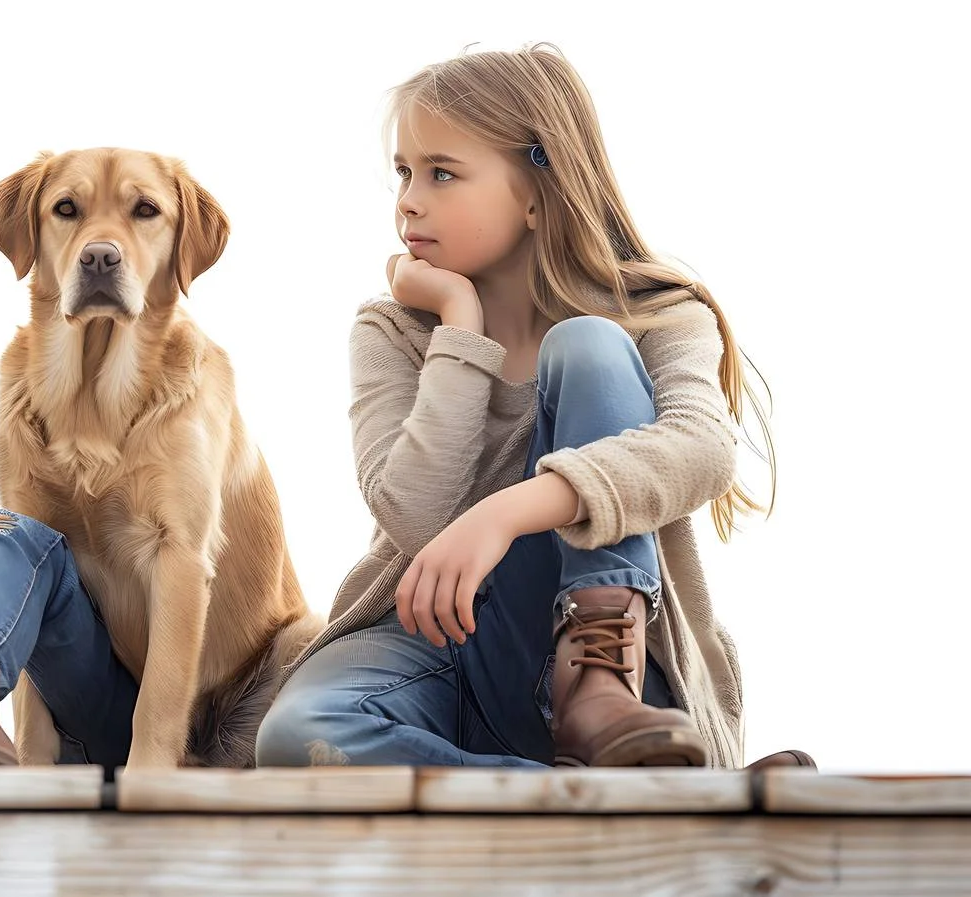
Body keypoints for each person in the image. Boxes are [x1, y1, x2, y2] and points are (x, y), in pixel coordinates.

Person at [254, 44, 813, 770]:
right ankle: (626, 799)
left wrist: (506, 511)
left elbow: (702, 449)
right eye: (403, 172)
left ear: (534, 191)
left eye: (442, 172)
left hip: (618, 669)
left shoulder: (659, 317)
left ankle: (597, 689)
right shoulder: (393, 330)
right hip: (430, 644)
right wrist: (460, 325)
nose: (408, 200)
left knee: (589, 346)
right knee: (300, 735)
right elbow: (417, 517)